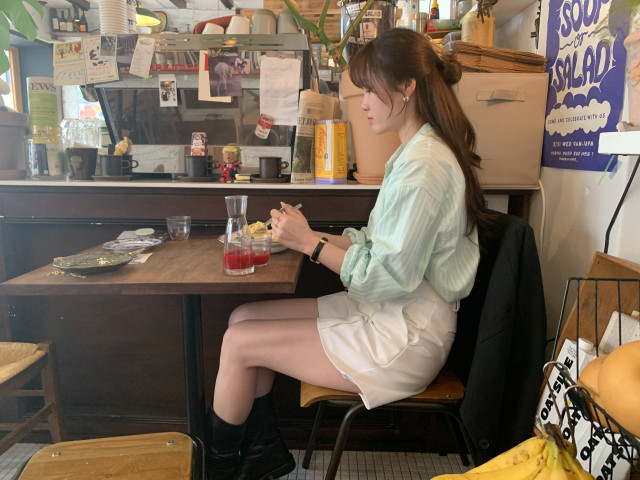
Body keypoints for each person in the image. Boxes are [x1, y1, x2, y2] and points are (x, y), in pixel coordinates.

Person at [205, 28, 493, 480]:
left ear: (406, 87)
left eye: (370, 90)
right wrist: (304, 235)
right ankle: (263, 453)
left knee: (239, 343)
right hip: (390, 310)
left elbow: (385, 276)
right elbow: (376, 245)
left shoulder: (425, 166)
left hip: (405, 335)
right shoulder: (414, 152)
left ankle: (220, 470)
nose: (363, 103)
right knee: (242, 318)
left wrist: (311, 244)